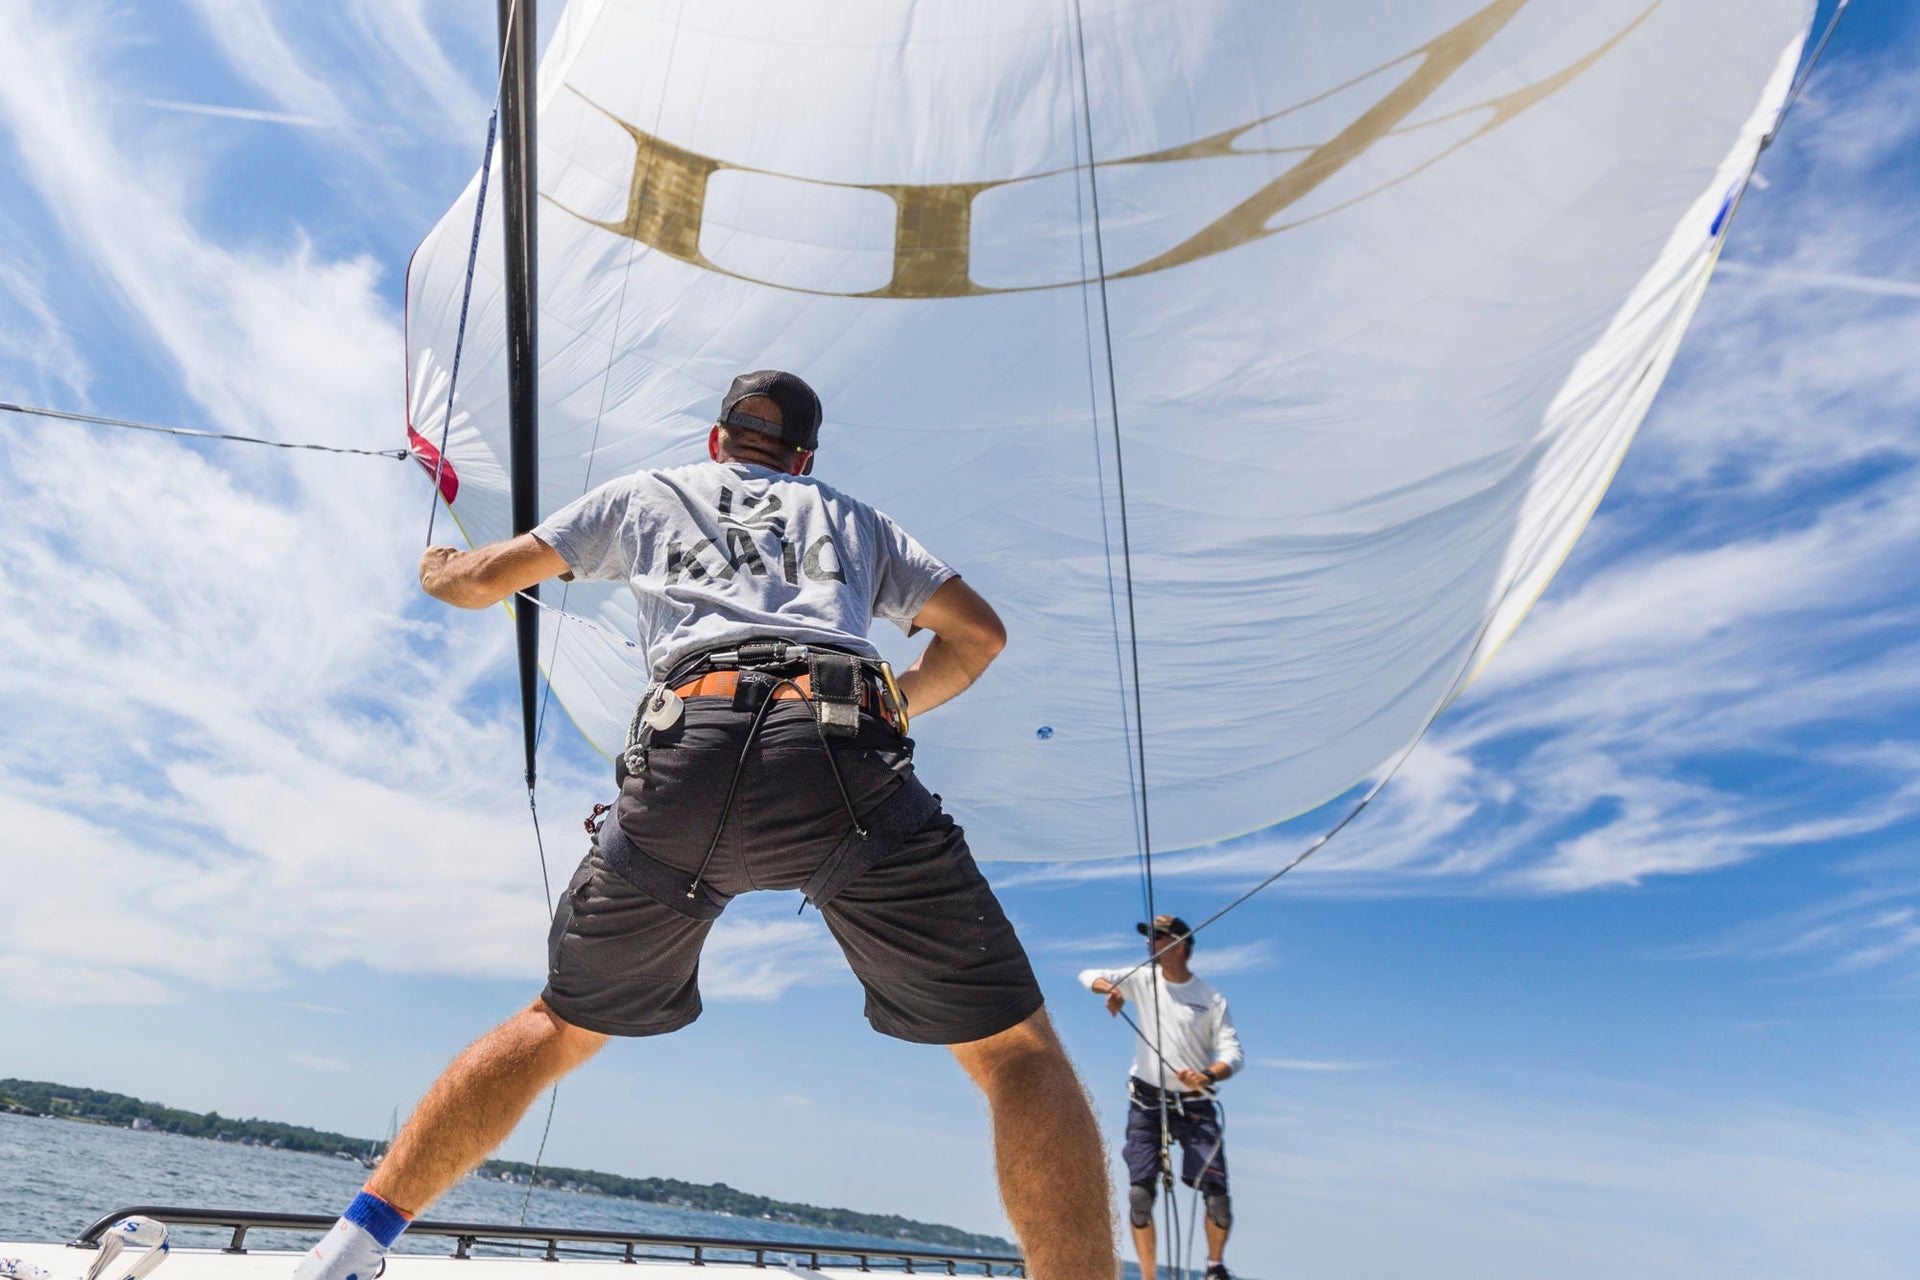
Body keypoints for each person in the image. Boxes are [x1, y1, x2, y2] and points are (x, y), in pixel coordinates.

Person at [294, 372, 1113, 1280]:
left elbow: (484, 582)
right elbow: (980, 636)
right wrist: (897, 704)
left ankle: (348, 1250)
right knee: (1013, 1054)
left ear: (718, 441)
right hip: (844, 756)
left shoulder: (650, 494)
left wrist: (441, 566)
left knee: (558, 1025)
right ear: (805, 459)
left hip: (686, 751)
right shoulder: (856, 521)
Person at [1081, 914, 1244, 1280]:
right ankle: (1149, 1278)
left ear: (1179, 943)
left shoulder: (1210, 998)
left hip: (1196, 1103)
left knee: (1217, 1195)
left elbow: (1234, 1054)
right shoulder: (1141, 978)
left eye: (1157, 937)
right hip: (1146, 1101)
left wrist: (1206, 1074)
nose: (1149, 944)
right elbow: (1087, 974)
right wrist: (1112, 987)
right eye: (1149, 937)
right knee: (1140, 1195)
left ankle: (1215, 1269)